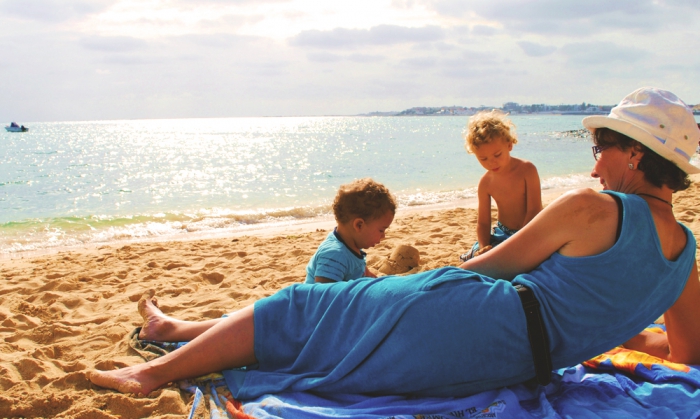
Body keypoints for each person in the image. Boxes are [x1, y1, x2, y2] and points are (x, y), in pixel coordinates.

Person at [89, 87, 700, 400]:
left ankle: (155, 372)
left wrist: (416, 284)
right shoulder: (687, 257)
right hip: (519, 362)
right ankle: (175, 333)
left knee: (304, 308)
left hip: (483, 317)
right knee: (326, 333)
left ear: (636, 153)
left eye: (601, 149)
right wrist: (601, 330)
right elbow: (679, 352)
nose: (594, 167)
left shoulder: (595, 208)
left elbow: (491, 266)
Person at [459, 110, 542, 261]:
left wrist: (520, 241)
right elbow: (483, 222)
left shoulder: (527, 170)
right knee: (482, 251)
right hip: (503, 233)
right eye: (483, 158)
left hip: (530, 230)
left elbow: (534, 210)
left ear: (509, 144)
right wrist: (484, 246)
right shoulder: (486, 183)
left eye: (497, 155)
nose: (491, 162)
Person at [305, 178, 396, 284]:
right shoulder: (335, 255)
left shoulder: (351, 244)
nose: (383, 236)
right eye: (381, 230)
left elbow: (363, 272)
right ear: (359, 225)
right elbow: (323, 296)